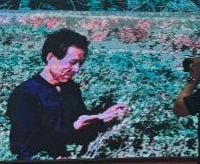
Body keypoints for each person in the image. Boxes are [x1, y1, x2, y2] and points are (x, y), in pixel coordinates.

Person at [7, 28, 129, 160]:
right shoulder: (25, 93)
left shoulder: (71, 89)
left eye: (80, 64)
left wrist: (104, 118)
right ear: (51, 58)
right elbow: (26, 143)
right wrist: (74, 127)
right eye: (72, 62)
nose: (76, 69)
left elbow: (80, 129)